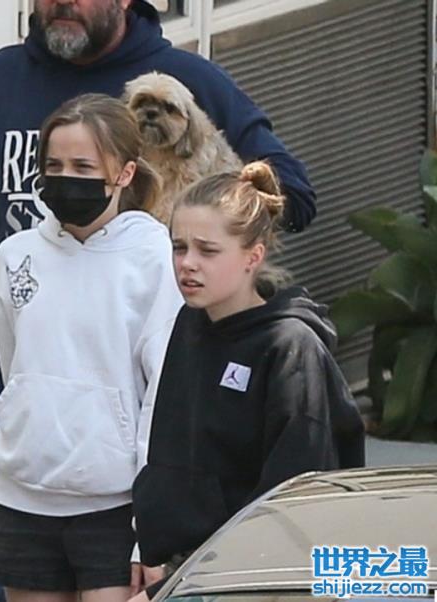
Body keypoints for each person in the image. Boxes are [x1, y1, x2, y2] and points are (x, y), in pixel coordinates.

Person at [0, 1, 315, 600]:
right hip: (13, 395)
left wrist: (207, 220)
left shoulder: (186, 82)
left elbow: (289, 193)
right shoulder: (1, 79)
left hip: (129, 406)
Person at [0, 94, 182, 602]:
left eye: (83, 167)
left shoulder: (157, 258)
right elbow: (14, 363)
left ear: (125, 173)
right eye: (54, 166)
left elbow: (165, 398)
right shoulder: (14, 255)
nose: (66, 178)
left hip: (114, 509)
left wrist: (150, 531)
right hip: (22, 500)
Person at [130, 162, 366, 601]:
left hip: (256, 577)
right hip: (187, 568)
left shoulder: (290, 346)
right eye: (179, 247)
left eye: (207, 250)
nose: (187, 264)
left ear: (253, 257)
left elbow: (295, 491)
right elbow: (172, 450)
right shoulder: (189, 323)